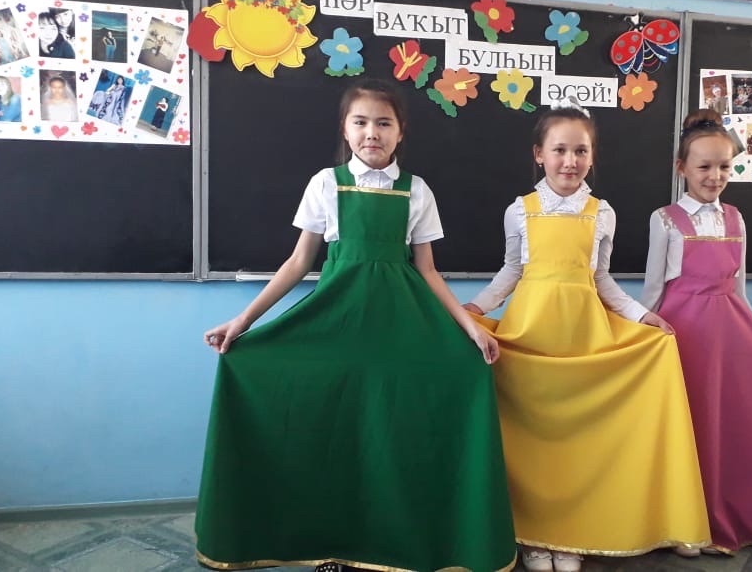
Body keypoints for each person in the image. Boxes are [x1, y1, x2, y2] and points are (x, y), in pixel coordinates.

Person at [194, 79, 517, 572]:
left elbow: (428, 270)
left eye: (384, 123)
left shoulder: (416, 190)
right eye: (361, 122)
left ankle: (403, 538)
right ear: (345, 130)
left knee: (421, 406)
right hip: (338, 323)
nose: (372, 133)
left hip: (400, 326)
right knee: (335, 425)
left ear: (401, 132)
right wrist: (243, 321)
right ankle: (335, 539)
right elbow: (298, 263)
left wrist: (471, 328)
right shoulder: (326, 183)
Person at [464, 98, 710, 572]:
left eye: (580, 151)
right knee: (533, 443)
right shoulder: (520, 211)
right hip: (530, 340)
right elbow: (511, 272)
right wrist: (473, 309)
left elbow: (602, 281)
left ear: (592, 156)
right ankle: (533, 536)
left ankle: (570, 535)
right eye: (559, 150)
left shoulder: (602, 213)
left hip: (582, 341)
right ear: (539, 154)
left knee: (575, 445)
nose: (570, 161)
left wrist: (642, 316)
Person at [641, 109, 752, 555]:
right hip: (683, 337)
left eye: (724, 167)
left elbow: (740, 291)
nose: (715, 177)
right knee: (688, 427)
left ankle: (720, 518)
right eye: (704, 167)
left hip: (728, 339)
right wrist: (640, 340)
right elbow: (654, 292)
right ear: (682, 168)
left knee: (723, 428)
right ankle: (685, 522)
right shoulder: (665, 219)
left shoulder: (736, 218)